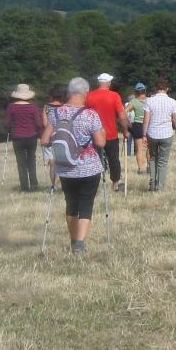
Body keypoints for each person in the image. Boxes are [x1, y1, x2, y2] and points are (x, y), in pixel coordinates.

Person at [39, 78, 106, 254]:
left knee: (71, 204)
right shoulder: (90, 115)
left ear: (69, 92)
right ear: (86, 93)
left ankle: (73, 238)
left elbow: (45, 140)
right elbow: (100, 142)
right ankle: (80, 243)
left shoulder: (56, 113)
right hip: (89, 167)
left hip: (65, 167)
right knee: (86, 204)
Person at [86, 72, 130, 193]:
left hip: (94, 134)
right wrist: (125, 131)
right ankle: (115, 183)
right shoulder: (114, 96)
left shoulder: (89, 96)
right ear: (109, 83)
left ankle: (93, 183)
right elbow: (122, 116)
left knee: (94, 159)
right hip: (111, 133)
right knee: (114, 159)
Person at [142, 78, 176, 191]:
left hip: (152, 134)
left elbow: (146, 120)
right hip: (166, 134)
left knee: (153, 158)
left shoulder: (149, 101)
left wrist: (144, 134)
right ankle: (160, 187)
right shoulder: (172, 101)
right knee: (163, 161)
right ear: (167, 89)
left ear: (156, 88)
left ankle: (152, 184)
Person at [3, 84, 44, 191]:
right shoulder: (33, 107)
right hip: (31, 137)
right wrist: (40, 132)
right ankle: (34, 185)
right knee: (31, 160)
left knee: (21, 163)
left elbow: (6, 123)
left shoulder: (11, 107)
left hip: (17, 137)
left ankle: (24, 186)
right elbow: (38, 123)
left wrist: (9, 129)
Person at [41, 84, 66, 186]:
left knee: (52, 163)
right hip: (61, 137)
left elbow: (45, 124)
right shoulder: (64, 107)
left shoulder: (46, 107)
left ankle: (53, 185)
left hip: (50, 137)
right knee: (62, 162)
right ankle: (63, 182)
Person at [124, 83, 149, 174]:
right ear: (145, 91)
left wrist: (128, 121)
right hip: (149, 125)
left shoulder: (133, 102)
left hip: (138, 125)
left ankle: (141, 168)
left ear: (136, 92)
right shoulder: (150, 100)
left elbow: (124, 113)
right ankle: (149, 166)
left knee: (139, 148)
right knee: (149, 148)